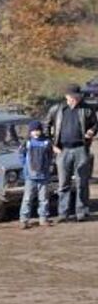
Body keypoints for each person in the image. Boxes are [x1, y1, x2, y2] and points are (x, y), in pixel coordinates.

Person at [44, 84, 97, 222]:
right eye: (73, 97)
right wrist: (52, 144)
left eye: (77, 97)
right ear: (67, 96)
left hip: (81, 148)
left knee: (82, 182)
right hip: (63, 150)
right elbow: (46, 125)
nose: (75, 99)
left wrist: (92, 131)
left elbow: (95, 124)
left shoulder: (87, 109)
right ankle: (63, 213)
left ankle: (82, 212)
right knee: (63, 183)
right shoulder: (57, 109)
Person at [18, 120, 54, 229]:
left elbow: (50, 156)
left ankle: (43, 218)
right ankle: (24, 220)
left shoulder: (46, 142)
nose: (36, 133)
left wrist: (48, 168)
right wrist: (25, 167)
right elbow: (21, 155)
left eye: (38, 130)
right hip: (30, 177)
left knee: (43, 199)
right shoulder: (27, 143)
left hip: (43, 176)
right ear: (30, 132)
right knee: (27, 199)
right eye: (33, 131)